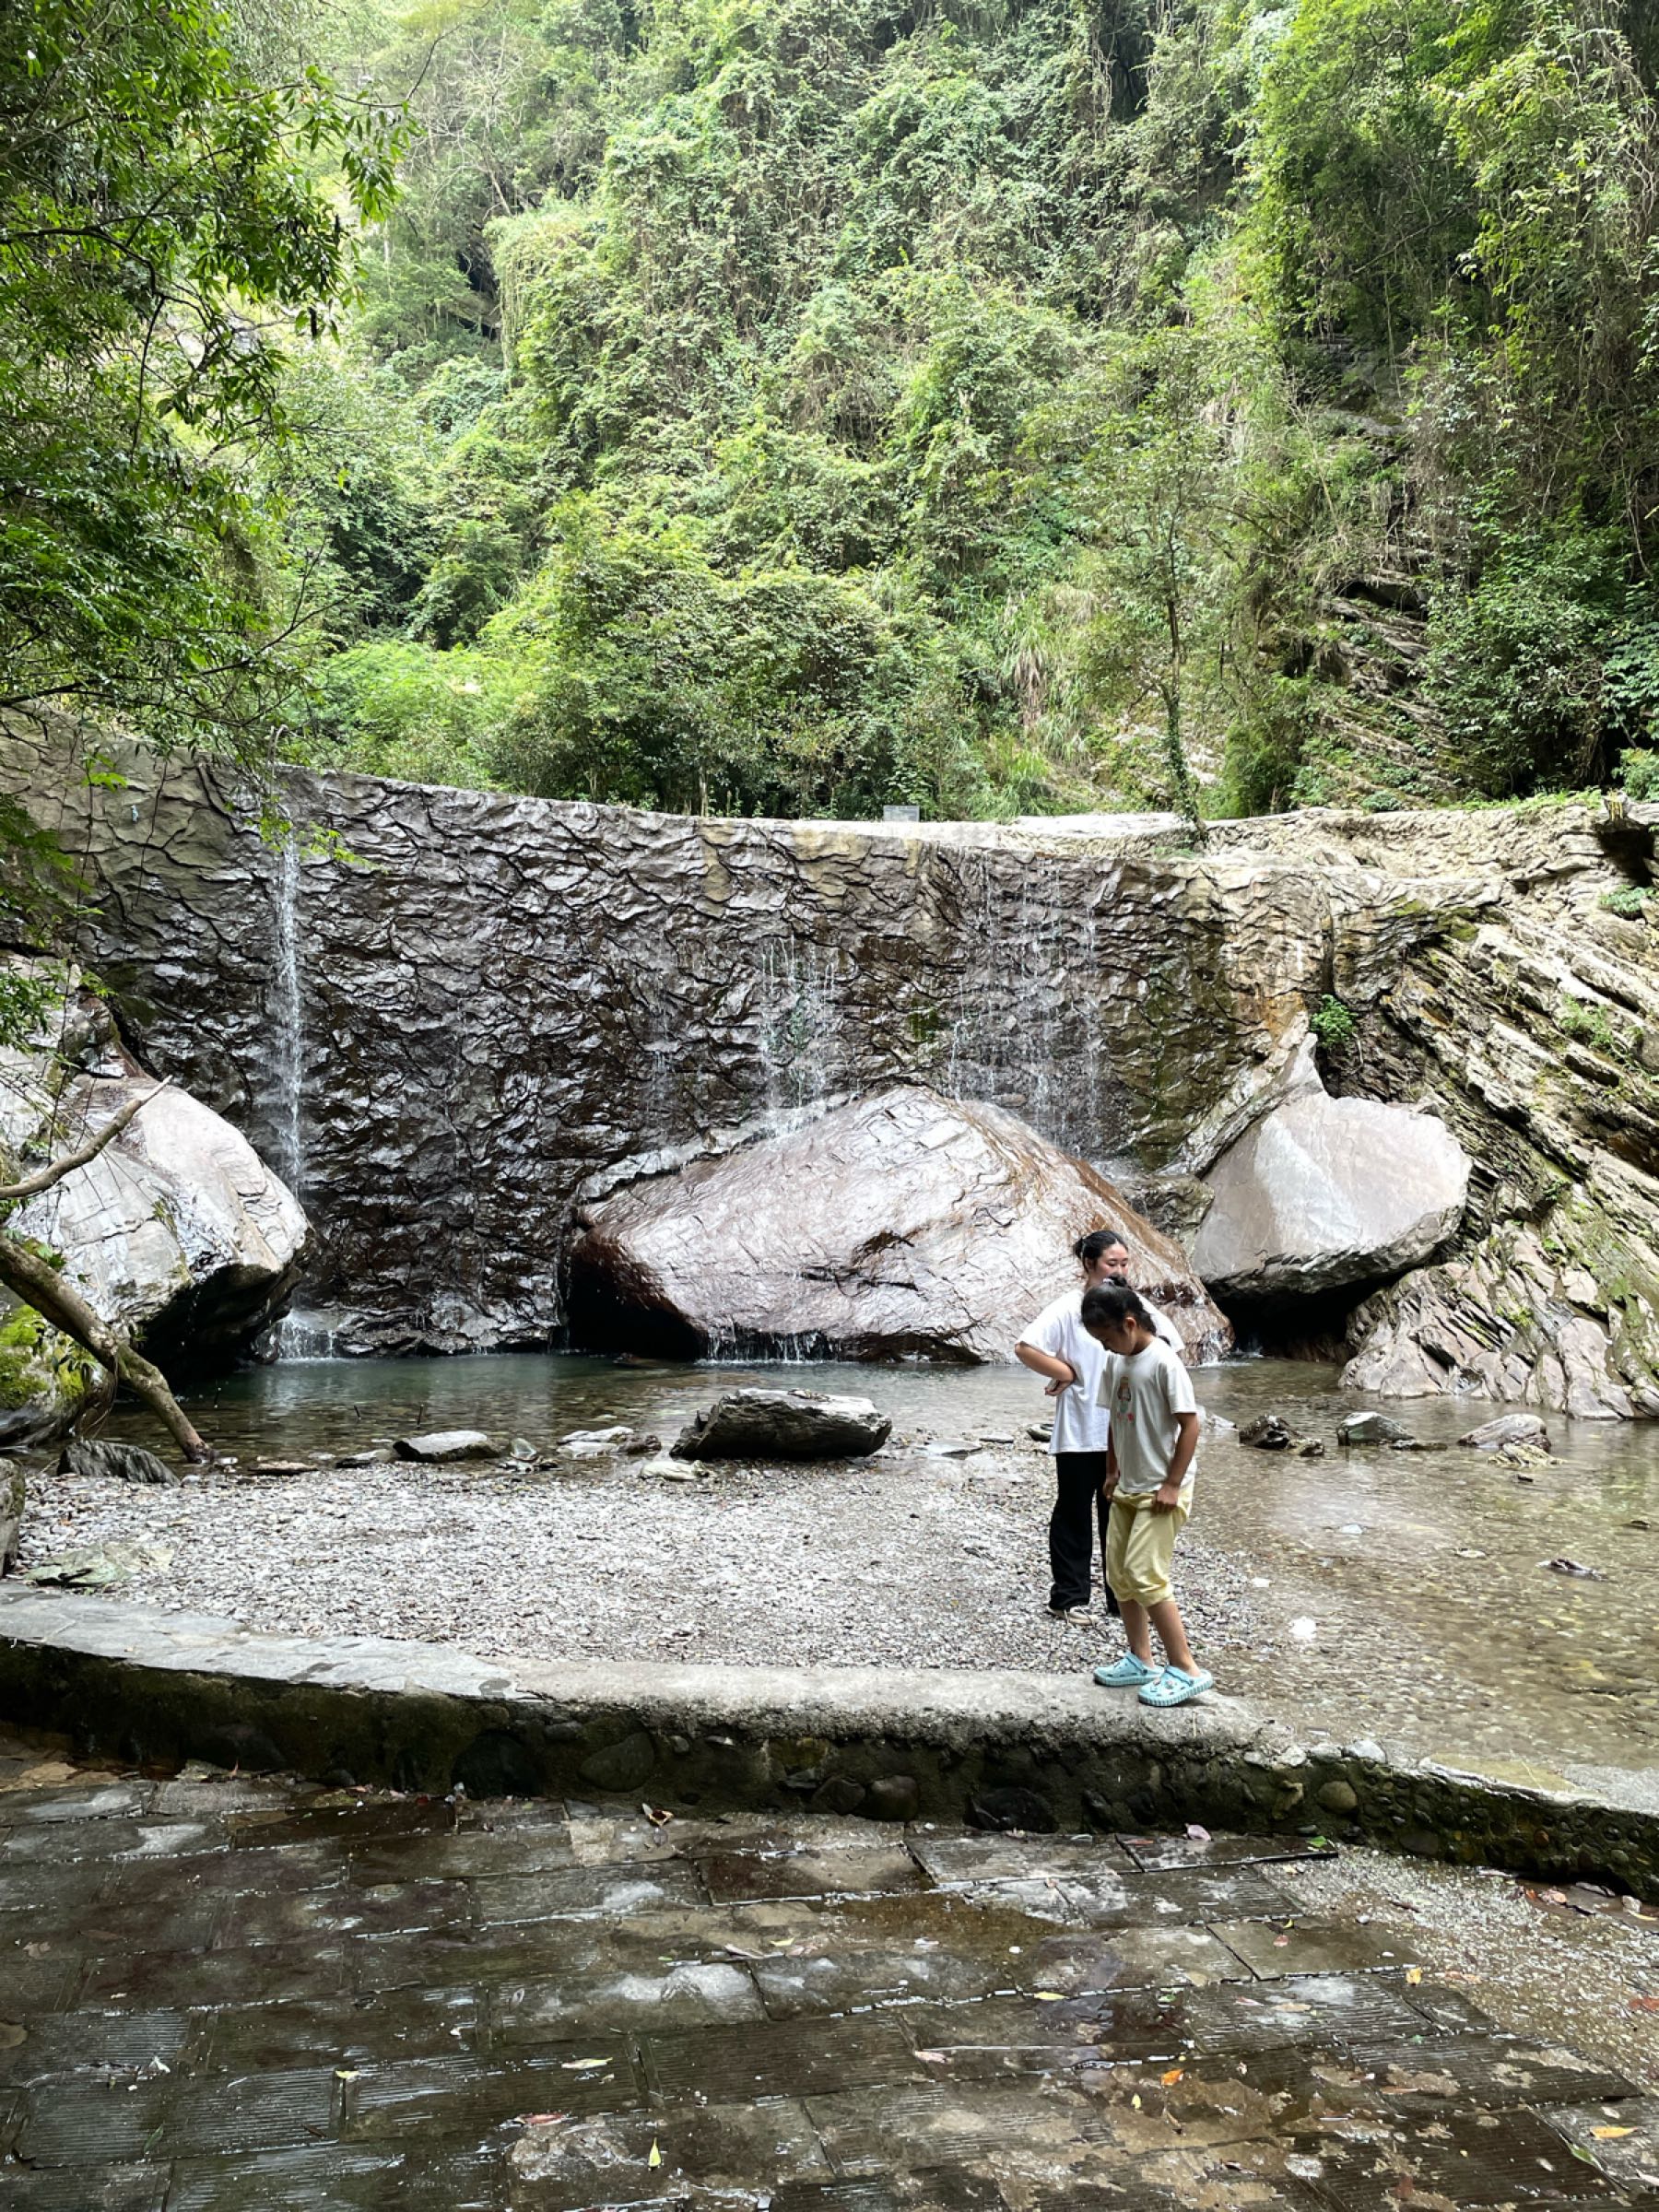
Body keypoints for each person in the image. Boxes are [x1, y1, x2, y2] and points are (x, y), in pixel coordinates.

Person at [1016, 1229, 1182, 1625]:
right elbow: (1025, 1347)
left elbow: (1171, 1348)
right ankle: (1069, 1598)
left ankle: (1119, 1597)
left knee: (1118, 1513)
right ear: (1089, 1264)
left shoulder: (1133, 1306)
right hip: (1079, 1428)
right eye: (1112, 1263)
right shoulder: (1068, 1307)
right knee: (1073, 1512)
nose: (1119, 1270)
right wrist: (1066, 1371)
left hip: (1124, 1431)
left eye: (1124, 1263)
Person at [1078, 1282, 1213, 1706]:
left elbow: (1190, 1425)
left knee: (1145, 1574)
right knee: (1118, 1574)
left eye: (1106, 1337)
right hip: (1128, 1485)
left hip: (1162, 1488)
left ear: (1130, 1324)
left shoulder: (1163, 1363)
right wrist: (1112, 1470)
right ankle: (1141, 1658)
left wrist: (1172, 1484)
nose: (1104, 1347)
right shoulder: (1115, 1361)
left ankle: (1186, 1667)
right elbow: (1118, 1420)